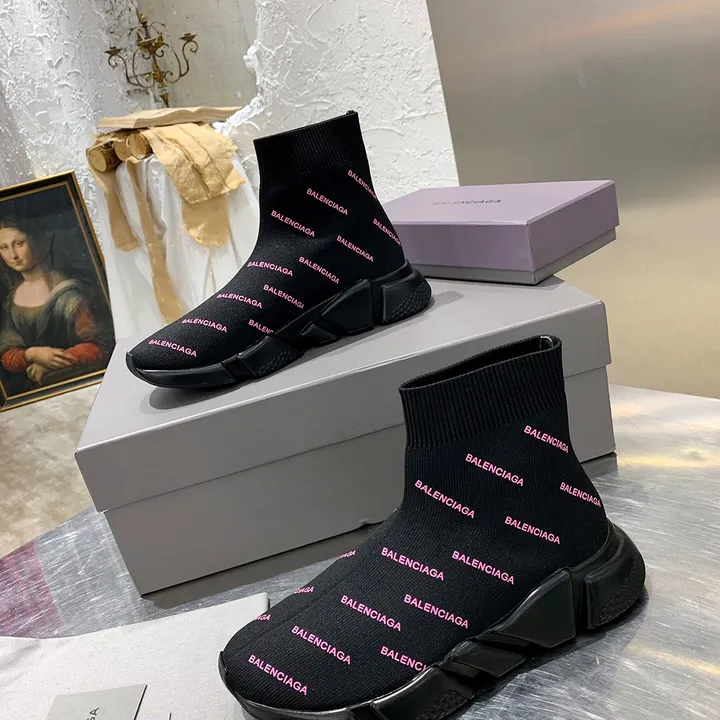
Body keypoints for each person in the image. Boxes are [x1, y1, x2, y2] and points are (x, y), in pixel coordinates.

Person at [0, 217, 108, 389]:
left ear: (36, 243)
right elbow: (7, 355)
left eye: (19, 244)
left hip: (87, 383)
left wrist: (52, 362)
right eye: (4, 248)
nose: (13, 255)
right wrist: (31, 354)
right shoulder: (10, 303)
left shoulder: (69, 293)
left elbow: (98, 347)